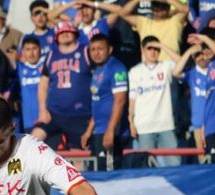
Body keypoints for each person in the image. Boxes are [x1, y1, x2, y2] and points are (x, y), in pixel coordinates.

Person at [173, 29, 215, 163]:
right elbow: (176, 72)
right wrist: (204, 127)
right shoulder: (210, 69)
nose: (205, 51)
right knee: (213, 167)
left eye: (208, 47)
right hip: (209, 128)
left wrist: (203, 38)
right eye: (203, 48)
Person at [32, 21, 93, 150]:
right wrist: (42, 110)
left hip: (80, 116)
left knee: (79, 160)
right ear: (56, 37)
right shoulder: (51, 55)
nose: (65, 34)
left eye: (68, 31)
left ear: (75, 33)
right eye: (61, 32)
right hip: (54, 114)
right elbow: (43, 84)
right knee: (33, 140)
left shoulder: (86, 51)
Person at [128, 36, 180, 167]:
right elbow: (132, 99)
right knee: (145, 167)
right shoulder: (134, 71)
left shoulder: (166, 66)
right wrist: (131, 122)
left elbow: (181, 63)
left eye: (156, 49)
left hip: (165, 125)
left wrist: (163, 46)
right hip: (144, 126)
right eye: (149, 48)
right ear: (143, 50)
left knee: (174, 165)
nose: (153, 52)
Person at [80, 34, 129, 171]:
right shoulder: (97, 70)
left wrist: (110, 130)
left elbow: (120, 101)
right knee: (97, 174)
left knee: (109, 176)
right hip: (99, 132)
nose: (96, 53)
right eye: (93, 49)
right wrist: (89, 131)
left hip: (111, 133)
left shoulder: (117, 68)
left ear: (110, 49)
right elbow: (98, 102)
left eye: (100, 49)